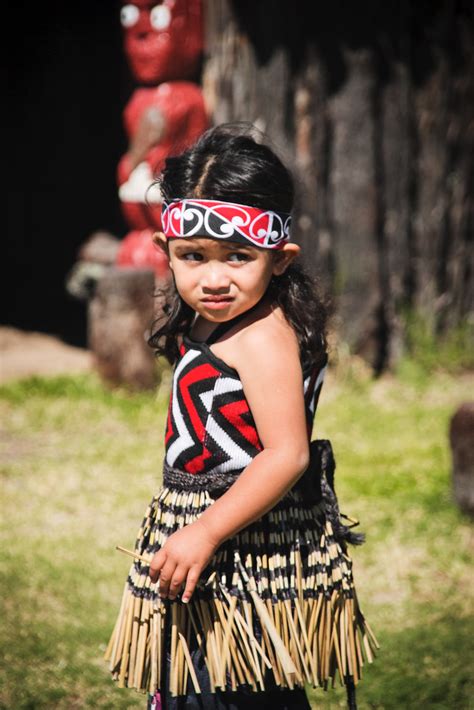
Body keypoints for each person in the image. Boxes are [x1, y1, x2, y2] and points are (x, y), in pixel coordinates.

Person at [104, 124, 377, 709]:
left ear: (279, 260)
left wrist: (203, 530)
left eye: (238, 257)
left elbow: (287, 454)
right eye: (193, 257)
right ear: (167, 253)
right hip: (212, 552)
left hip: (244, 560)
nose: (214, 277)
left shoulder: (260, 338)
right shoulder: (214, 318)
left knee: (231, 693)